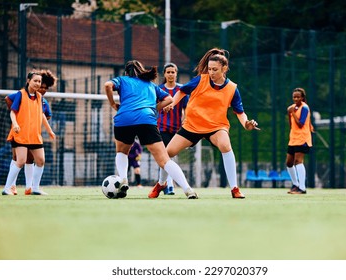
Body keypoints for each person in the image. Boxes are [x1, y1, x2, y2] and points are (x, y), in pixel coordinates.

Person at [149, 48, 260, 199]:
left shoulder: (232, 88)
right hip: (192, 125)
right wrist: (172, 104)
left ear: (224, 69)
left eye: (215, 69)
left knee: (226, 146)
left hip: (216, 127)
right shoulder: (201, 80)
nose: (211, 72)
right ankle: (161, 183)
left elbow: (240, 112)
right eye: (209, 69)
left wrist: (246, 124)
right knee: (167, 153)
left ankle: (234, 188)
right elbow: (182, 91)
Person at [104, 60, 198, 199]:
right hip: (146, 119)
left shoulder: (122, 80)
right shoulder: (151, 85)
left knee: (122, 151)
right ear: (142, 71)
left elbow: (107, 85)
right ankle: (188, 189)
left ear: (126, 72)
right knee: (165, 160)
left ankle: (123, 180)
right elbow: (169, 99)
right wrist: (153, 109)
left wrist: (112, 103)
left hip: (124, 118)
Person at [2, 71, 56, 195]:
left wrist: (49, 130)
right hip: (21, 134)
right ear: (28, 81)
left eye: (39, 81)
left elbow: (42, 115)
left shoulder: (40, 98)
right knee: (20, 161)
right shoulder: (20, 95)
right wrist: (15, 124)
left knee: (41, 160)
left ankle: (35, 188)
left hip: (34, 135)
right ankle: (7, 187)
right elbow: (13, 111)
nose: (38, 83)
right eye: (35, 81)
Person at [157, 62, 189, 195]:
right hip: (162, 127)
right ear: (164, 74)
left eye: (173, 72)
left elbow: (186, 108)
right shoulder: (158, 89)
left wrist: (185, 121)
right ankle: (169, 186)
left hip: (177, 128)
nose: (170, 74)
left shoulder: (182, 90)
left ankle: (163, 184)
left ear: (176, 73)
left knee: (168, 157)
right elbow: (155, 107)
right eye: (168, 72)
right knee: (166, 156)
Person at [285, 87, 313, 195]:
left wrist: (293, 113)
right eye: (294, 97)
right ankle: (295, 185)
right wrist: (289, 113)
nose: (296, 99)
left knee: (298, 161)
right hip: (293, 138)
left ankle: (302, 188)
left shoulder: (305, 108)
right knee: (289, 162)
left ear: (302, 98)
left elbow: (300, 123)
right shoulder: (293, 108)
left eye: (298, 97)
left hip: (302, 138)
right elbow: (291, 124)